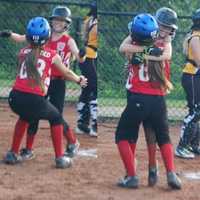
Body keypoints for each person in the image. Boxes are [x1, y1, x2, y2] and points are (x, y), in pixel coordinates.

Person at [0, 6, 85, 159]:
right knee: (32, 115)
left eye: (62, 20)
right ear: (51, 22)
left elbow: (78, 57)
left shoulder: (68, 40)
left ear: (67, 24)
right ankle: (28, 148)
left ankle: (72, 142)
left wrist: (82, 55)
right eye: (56, 20)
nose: (58, 23)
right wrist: (10, 34)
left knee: (56, 115)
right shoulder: (43, 34)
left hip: (58, 82)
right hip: (39, 82)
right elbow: (21, 38)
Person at [116, 13, 181, 189]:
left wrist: (145, 52)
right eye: (162, 26)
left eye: (168, 28)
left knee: (128, 134)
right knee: (160, 135)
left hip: (139, 96)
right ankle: (169, 172)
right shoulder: (163, 46)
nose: (165, 30)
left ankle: (134, 174)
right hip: (157, 98)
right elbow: (163, 55)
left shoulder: (136, 46)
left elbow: (124, 48)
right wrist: (150, 51)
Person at [175, 8, 200, 159]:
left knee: (198, 112)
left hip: (196, 76)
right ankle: (182, 146)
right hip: (192, 76)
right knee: (195, 112)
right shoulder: (196, 38)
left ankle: (193, 144)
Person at [75, 1, 98, 137]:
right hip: (88, 56)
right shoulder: (94, 21)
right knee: (94, 88)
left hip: (88, 56)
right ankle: (95, 125)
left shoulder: (89, 19)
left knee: (87, 88)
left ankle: (82, 124)